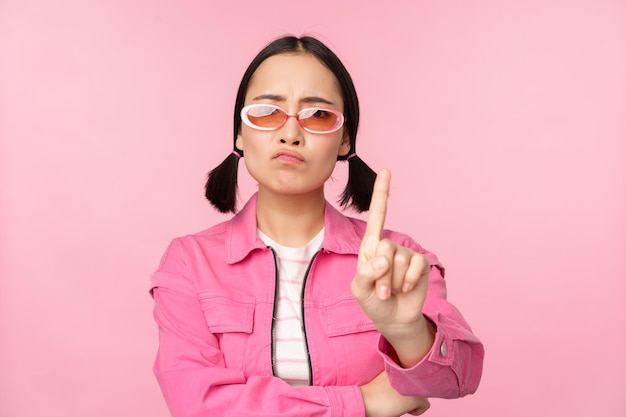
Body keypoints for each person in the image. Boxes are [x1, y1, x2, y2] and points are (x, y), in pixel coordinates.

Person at [150, 35, 484, 417]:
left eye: (319, 115)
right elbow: (197, 404)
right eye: (266, 111)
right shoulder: (189, 262)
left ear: (344, 140)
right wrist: (363, 403)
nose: (290, 133)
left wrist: (407, 331)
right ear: (240, 133)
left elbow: (457, 381)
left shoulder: (395, 259)